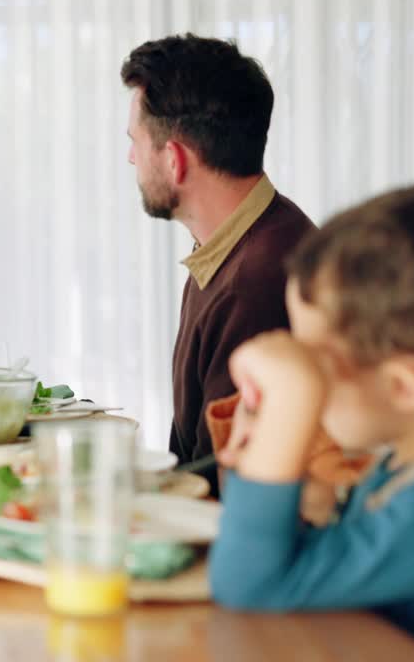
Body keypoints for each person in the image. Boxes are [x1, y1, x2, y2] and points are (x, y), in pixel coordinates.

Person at [209, 183, 414, 658]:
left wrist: (290, 403)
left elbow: (248, 586)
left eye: (315, 368)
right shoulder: (411, 466)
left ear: (404, 388)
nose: (306, 381)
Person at [121, 34, 315, 491]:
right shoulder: (233, 246)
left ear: (174, 160)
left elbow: (220, 477)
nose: (131, 156)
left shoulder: (260, 279)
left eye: (136, 141)